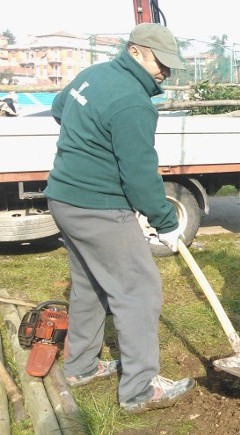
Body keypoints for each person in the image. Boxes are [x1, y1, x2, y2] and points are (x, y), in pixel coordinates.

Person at [45, 23, 195, 414]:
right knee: (139, 291)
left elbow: (60, 111)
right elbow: (140, 175)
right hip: (99, 207)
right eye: (160, 62)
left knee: (90, 284)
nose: (165, 72)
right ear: (135, 51)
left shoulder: (93, 74)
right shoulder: (133, 103)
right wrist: (165, 220)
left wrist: (91, 146)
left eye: (170, 65)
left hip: (63, 197)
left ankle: (80, 366)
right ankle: (140, 388)